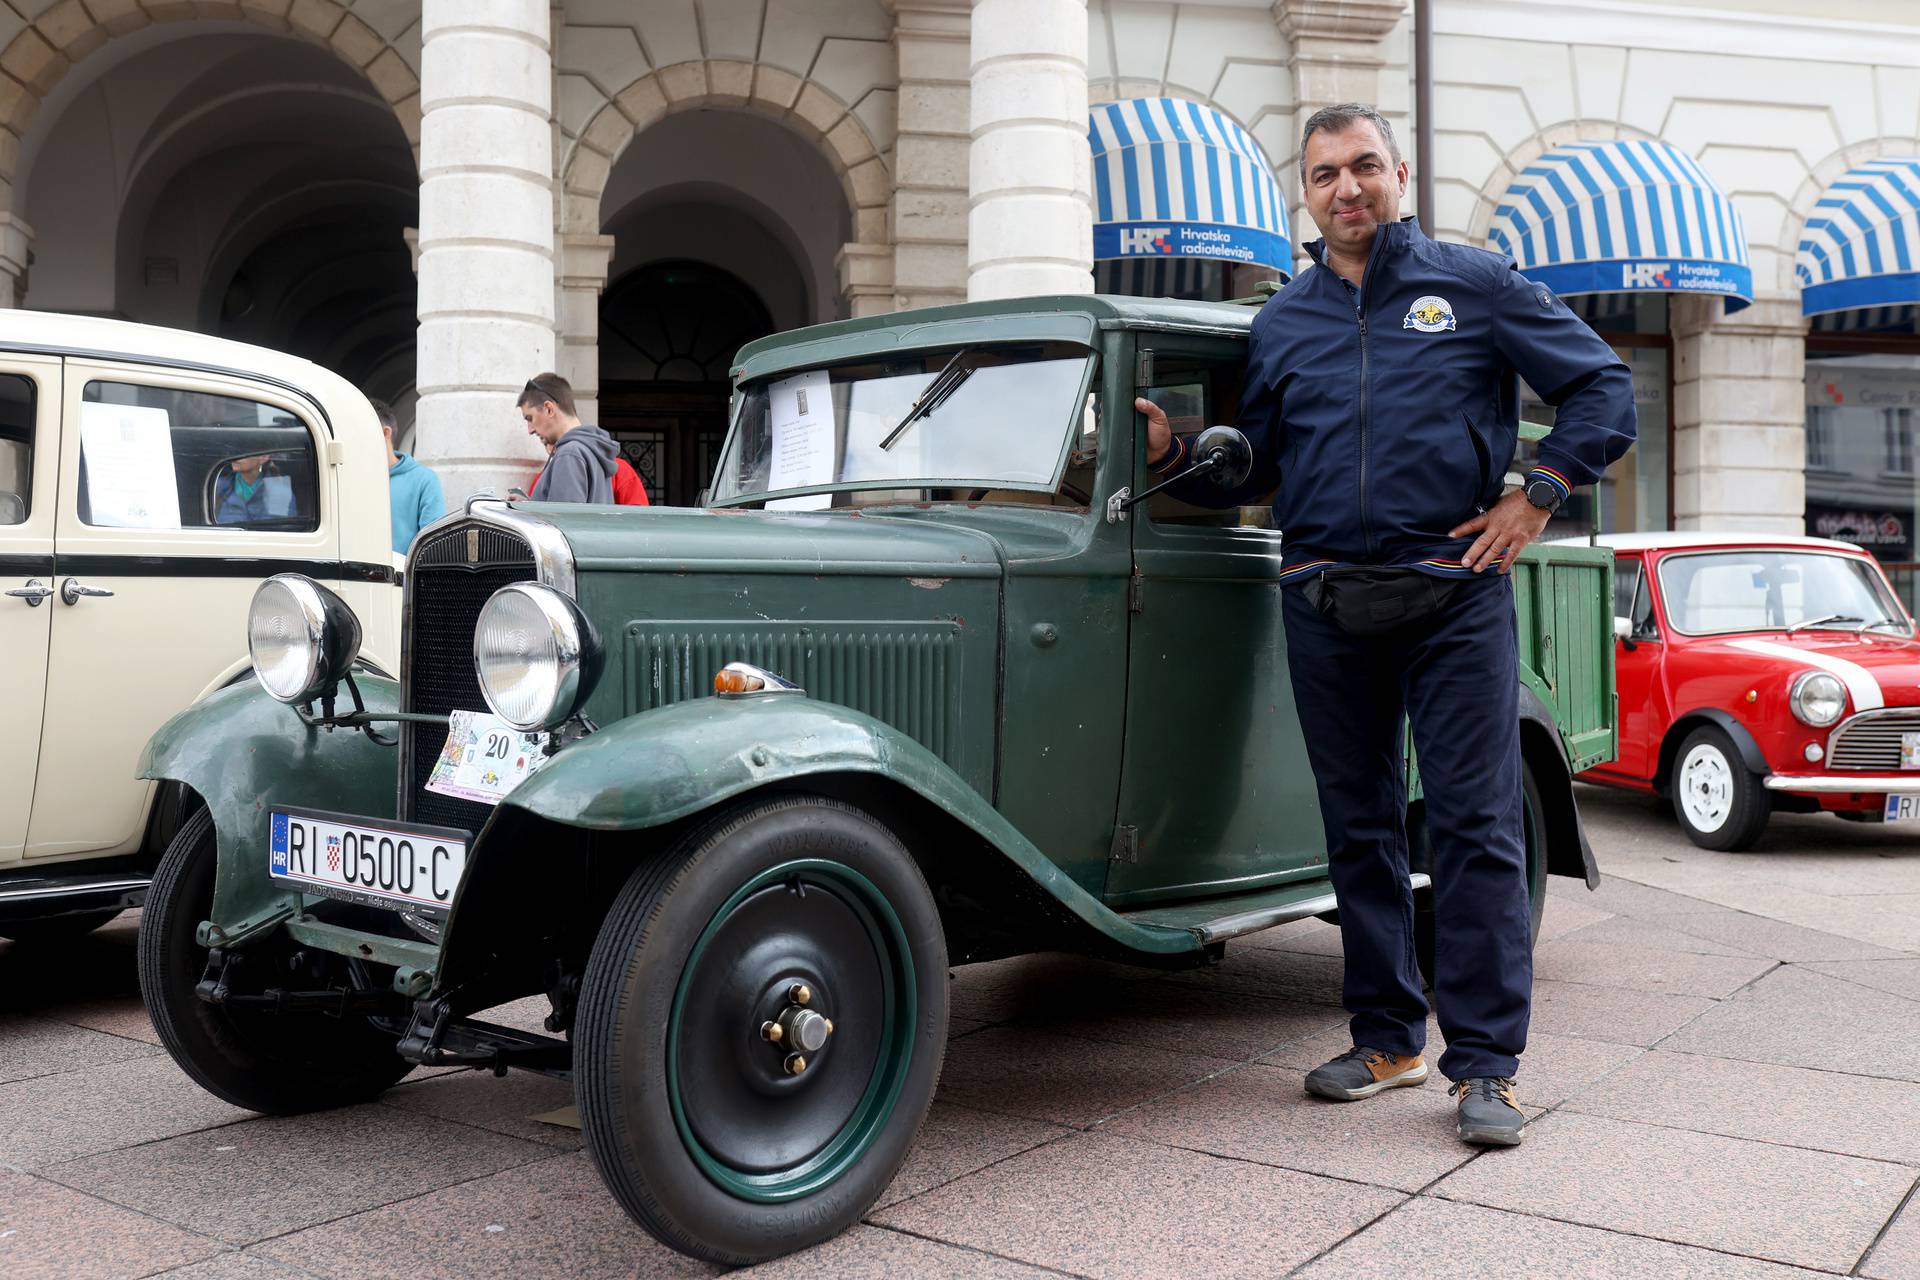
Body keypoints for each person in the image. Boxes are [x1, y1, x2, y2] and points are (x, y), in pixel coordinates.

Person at [1140, 103, 1635, 1147]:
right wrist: (1174, 455)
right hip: (1322, 597)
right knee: (1356, 829)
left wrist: (1538, 490)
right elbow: (1263, 464)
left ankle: (1487, 1065)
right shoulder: (1282, 321)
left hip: (1454, 594)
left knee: (1473, 826)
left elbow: (1601, 386)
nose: (1346, 188)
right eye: (1325, 175)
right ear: (1306, 195)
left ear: (1399, 172)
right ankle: (1388, 1037)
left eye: (1364, 167)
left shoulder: (1476, 283)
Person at [518, 372, 619, 504]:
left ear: (549, 409)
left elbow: (562, 521)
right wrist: (529, 505)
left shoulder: (569, 454)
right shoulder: (589, 448)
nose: (530, 430)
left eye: (530, 418)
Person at [373, 397, 444, 555]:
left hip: (404, 578)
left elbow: (433, 547)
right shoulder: (350, 479)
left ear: (386, 433)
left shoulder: (424, 480)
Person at [212, 453, 294, 524]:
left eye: (243, 451)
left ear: (264, 457)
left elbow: (284, 529)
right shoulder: (217, 486)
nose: (235, 455)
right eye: (233, 451)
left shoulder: (279, 491)